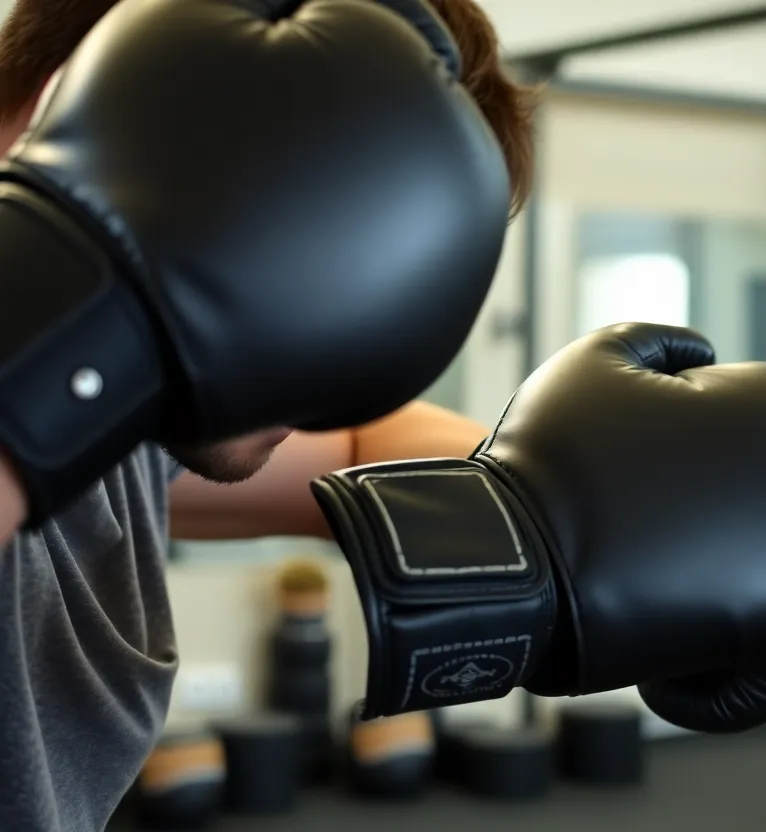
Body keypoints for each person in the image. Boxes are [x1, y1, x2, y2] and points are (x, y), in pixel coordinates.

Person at [0, 0, 534, 826]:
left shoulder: (136, 420)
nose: (343, 356)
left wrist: (583, 500)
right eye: (312, 248)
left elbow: (358, 446)